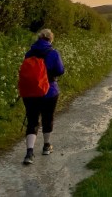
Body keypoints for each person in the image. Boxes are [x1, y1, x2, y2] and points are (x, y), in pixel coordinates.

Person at [22, 28, 65, 165]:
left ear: (39, 38)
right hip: (49, 92)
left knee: (32, 121)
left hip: (30, 92)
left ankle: (29, 153)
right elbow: (60, 71)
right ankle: (46, 146)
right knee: (48, 118)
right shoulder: (53, 53)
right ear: (50, 39)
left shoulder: (29, 53)